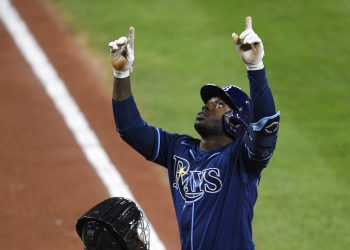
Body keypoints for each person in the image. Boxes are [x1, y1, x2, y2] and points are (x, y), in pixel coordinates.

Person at [109, 16, 280, 250]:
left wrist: (255, 67)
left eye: (220, 105)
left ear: (236, 122)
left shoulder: (242, 160)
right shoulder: (179, 149)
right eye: (208, 100)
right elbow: (131, 129)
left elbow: (266, 125)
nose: (208, 104)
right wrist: (122, 74)